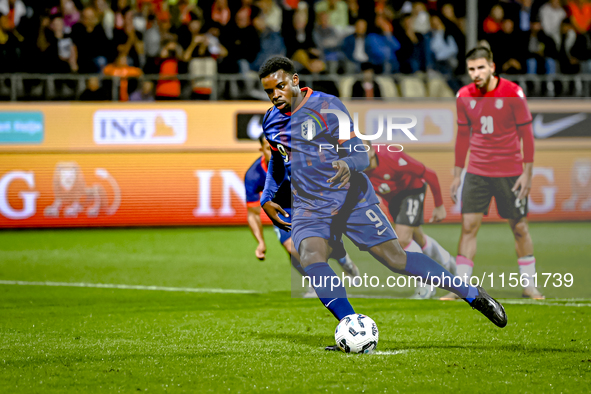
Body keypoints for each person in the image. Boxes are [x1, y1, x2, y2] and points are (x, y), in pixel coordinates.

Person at [258, 56, 508, 349]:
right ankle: (351, 326)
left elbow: (361, 154)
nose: (275, 95)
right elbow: (277, 159)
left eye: (280, 86)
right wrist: (267, 197)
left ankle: (471, 293)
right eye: (269, 91)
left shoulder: (327, 108)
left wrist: (348, 165)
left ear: (295, 81)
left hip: (352, 199)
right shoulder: (271, 120)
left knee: (396, 259)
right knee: (311, 256)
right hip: (311, 206)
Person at [445, 46, 543, 301]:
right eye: (471, 69)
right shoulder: (464, 95)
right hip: (477, 171)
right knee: (468, 227)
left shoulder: (513, 93)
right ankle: (461, 288)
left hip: (510, 172)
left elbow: (527, 136)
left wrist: (527, 174)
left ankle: (530, 286)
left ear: (492, 67)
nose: (475, 73)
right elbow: (462, 137)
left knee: (520, 227)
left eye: (480, 68)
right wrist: (457, 174)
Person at [244, 135, 360, 297]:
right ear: (261, 149)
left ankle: (342, 259)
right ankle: (318, 283)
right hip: (282, 211)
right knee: (293, 248)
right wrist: (260, 242)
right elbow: (253, 213)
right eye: (269, 147)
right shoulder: (254, 175)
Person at [364, 143, 456, 299]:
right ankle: (448, 263)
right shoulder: (354, 168)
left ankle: (426, 286)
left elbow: (430, 174)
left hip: (412, 190)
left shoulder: (392, 157)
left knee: (403, 239)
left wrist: (439, 205)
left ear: (372, 151)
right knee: (417, 239)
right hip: (393, 200)